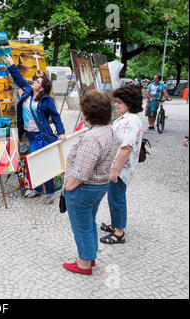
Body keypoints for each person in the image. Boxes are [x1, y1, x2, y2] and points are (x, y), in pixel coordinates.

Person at [62, 90, 120, 275]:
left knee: (82, 226)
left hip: (84, 189)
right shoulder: (109, 131)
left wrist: (67, 188)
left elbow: (80, 172)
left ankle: (84, 264)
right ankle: (90, 256)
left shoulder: (91, 138)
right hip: (99, 185)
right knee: (89, 222)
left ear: (88, 113)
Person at [4, 55, 66, 204]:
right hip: (29, 135)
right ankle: (38, 189)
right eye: (35, 80)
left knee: (45, 163)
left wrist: (62, 132)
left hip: (42, 136)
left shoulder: (46, 100)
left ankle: (50, 193)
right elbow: (19, 78)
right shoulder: (26, 90)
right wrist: (12, 64)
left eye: (37, 82)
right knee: (33, 163)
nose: (34, 82)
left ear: (42, 87)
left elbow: (55, 117)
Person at [99, 85, 144, 245]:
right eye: (115, 101)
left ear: (129, 103)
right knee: (114, 198)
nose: (116, 105)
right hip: (117, 166)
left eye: (119, 102)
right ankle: (115, 224)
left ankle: (119, 233)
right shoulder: (124, 118)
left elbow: (126, 147)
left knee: (117, 198)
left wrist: (115, 170)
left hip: (121, 168)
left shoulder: (131, 120)